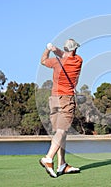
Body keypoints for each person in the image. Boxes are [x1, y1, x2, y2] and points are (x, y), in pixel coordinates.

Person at [39, 39, 83, 178]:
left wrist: (49, 48)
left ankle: (62, 165)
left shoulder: (55, 62)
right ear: (75, 49)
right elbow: (65, 54)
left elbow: (43, 60)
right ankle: (48, 158)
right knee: (62, 131)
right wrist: (55, 49)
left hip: (54, 99)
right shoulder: (78, 61)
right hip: (66, 99)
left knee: (60, 132)